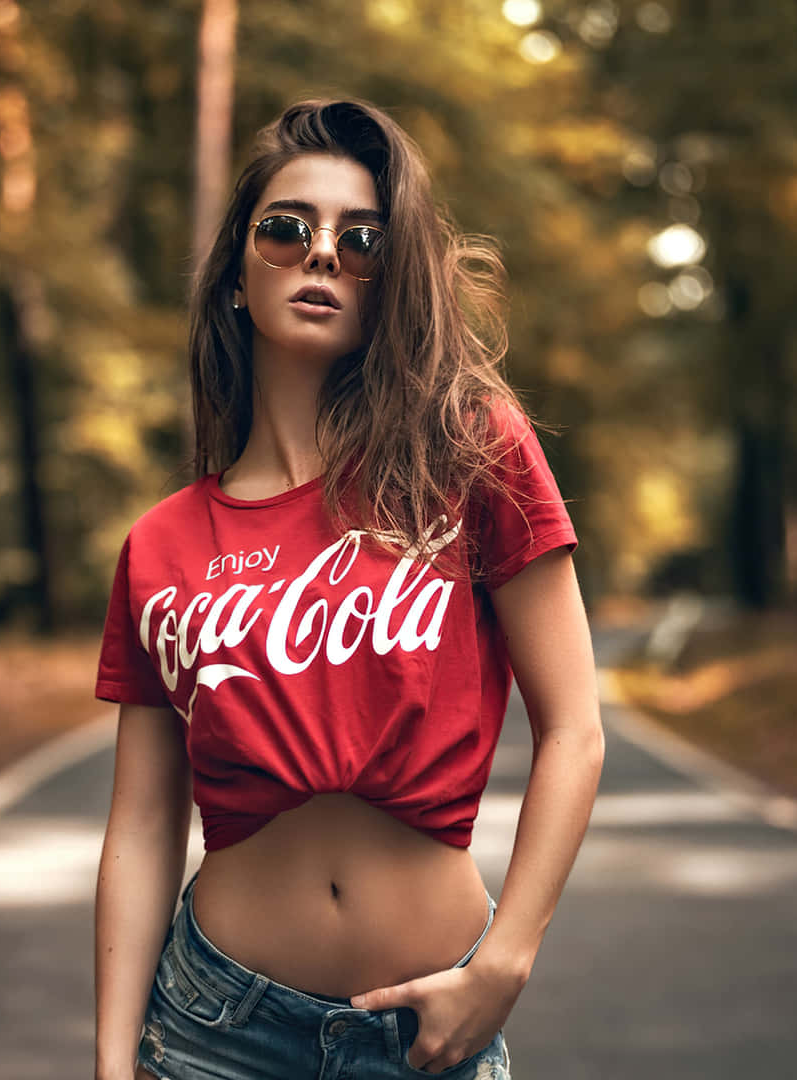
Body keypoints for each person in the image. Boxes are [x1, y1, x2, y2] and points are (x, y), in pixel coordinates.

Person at [93, 98, 602, 1080]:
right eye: (286, 229)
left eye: (361, 240)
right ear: (238, 275)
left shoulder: (471, 455)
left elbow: (575, 730)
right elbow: (145, 822)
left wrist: (506, 963)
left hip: (430, 1030)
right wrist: (115, 1065)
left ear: (389, 281)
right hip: (215, 1033)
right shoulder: (161, 545)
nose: (321, 253)